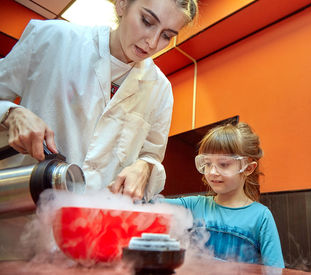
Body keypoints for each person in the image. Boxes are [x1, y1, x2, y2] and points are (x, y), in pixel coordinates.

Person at [0, 0, 198, 200]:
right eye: (147, 21)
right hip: (19, 208)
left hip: (91, 220)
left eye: (167, 36)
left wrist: (144, 167)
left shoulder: (160, 90)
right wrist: (11, 113)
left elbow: (151, 155)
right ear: (121, 5)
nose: (153, 43)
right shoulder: (51, 38)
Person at [163, 122, 285, 267]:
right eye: (207, 164)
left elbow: (275, 270)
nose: (212, 172)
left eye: (224, 164)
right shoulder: (193, 205)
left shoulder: (261, 216)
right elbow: (150, 204)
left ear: (248, 168)